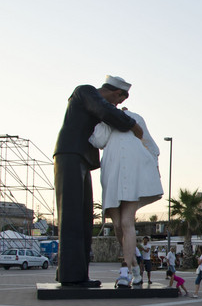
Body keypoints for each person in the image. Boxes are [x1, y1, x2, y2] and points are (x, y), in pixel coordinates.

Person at [54, 75, 143, 287]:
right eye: (118, 101)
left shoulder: (94, 102)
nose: (117, 105)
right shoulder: (85, 91)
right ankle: (71, 277)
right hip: (70, 154)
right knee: (72, 216)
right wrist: (131, 123)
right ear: (116, 93)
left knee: (83, 217)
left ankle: (76, 275)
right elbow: (105, 110)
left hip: (81, 159)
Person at [89, 103, 162, 286]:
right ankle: (135, 266)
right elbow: (98, 141)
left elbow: (149, 142)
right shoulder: (107, 120)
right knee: (118, 226)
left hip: (132, 175)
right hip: (112, 174)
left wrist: (154, 167)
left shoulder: (135, 119)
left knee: (126, 222)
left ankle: (125, 270)